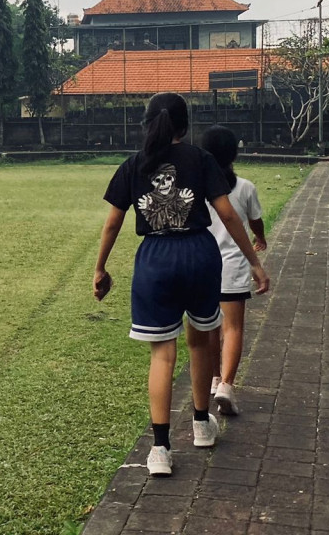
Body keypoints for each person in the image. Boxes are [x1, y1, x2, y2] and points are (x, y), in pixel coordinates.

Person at [93, 93, 269, 478]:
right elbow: (226, 213)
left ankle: (159, 450)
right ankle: (202, 424)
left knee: (162, 354)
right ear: (186, 126)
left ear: (146, 124)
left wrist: (100, 268)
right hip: (199, 255)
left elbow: (112, 223)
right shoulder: (201, 160)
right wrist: (254, 262)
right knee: (202, 338)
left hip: (155, 259)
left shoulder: (133, 165)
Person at [201, 125, 268, 417]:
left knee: (210, 328)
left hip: (201, 266)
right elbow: (255, 221)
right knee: (234, 327)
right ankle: (227, 384)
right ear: (234, 154)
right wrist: (261, 240)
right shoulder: (245, 188)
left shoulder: (196, 189)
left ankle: (214, 379)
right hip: (233, 267)